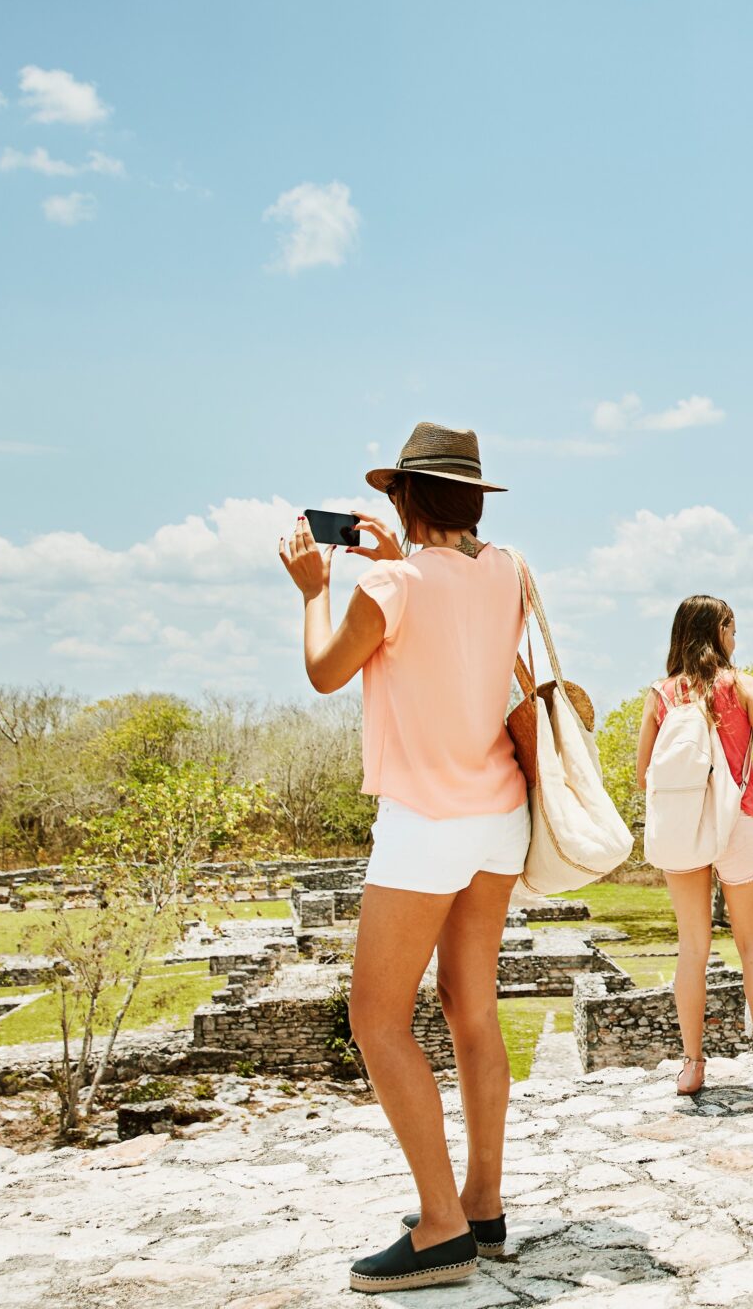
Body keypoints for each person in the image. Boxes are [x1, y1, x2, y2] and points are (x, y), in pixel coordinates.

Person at [278, 422, 529, 1294]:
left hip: (426, 822)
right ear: (469, 499)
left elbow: (323, 670)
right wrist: (403, 555)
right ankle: (484, 1205)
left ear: (405, 498)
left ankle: (441, 1228)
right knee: (472, 1006)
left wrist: (315, 588)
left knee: (378, 1019)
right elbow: (458, 623)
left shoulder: (386, 583)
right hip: (501, 812)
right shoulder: (509, 569)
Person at [633, 595, 753, 1097]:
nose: (736, 637)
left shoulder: (662, 695)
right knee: (752, 943)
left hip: (684, 828)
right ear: (719, 630)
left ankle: (692, 1066)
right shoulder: (742, 686)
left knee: (693, 948)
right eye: (732, 627)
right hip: (738, 822)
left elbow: (643, 776)